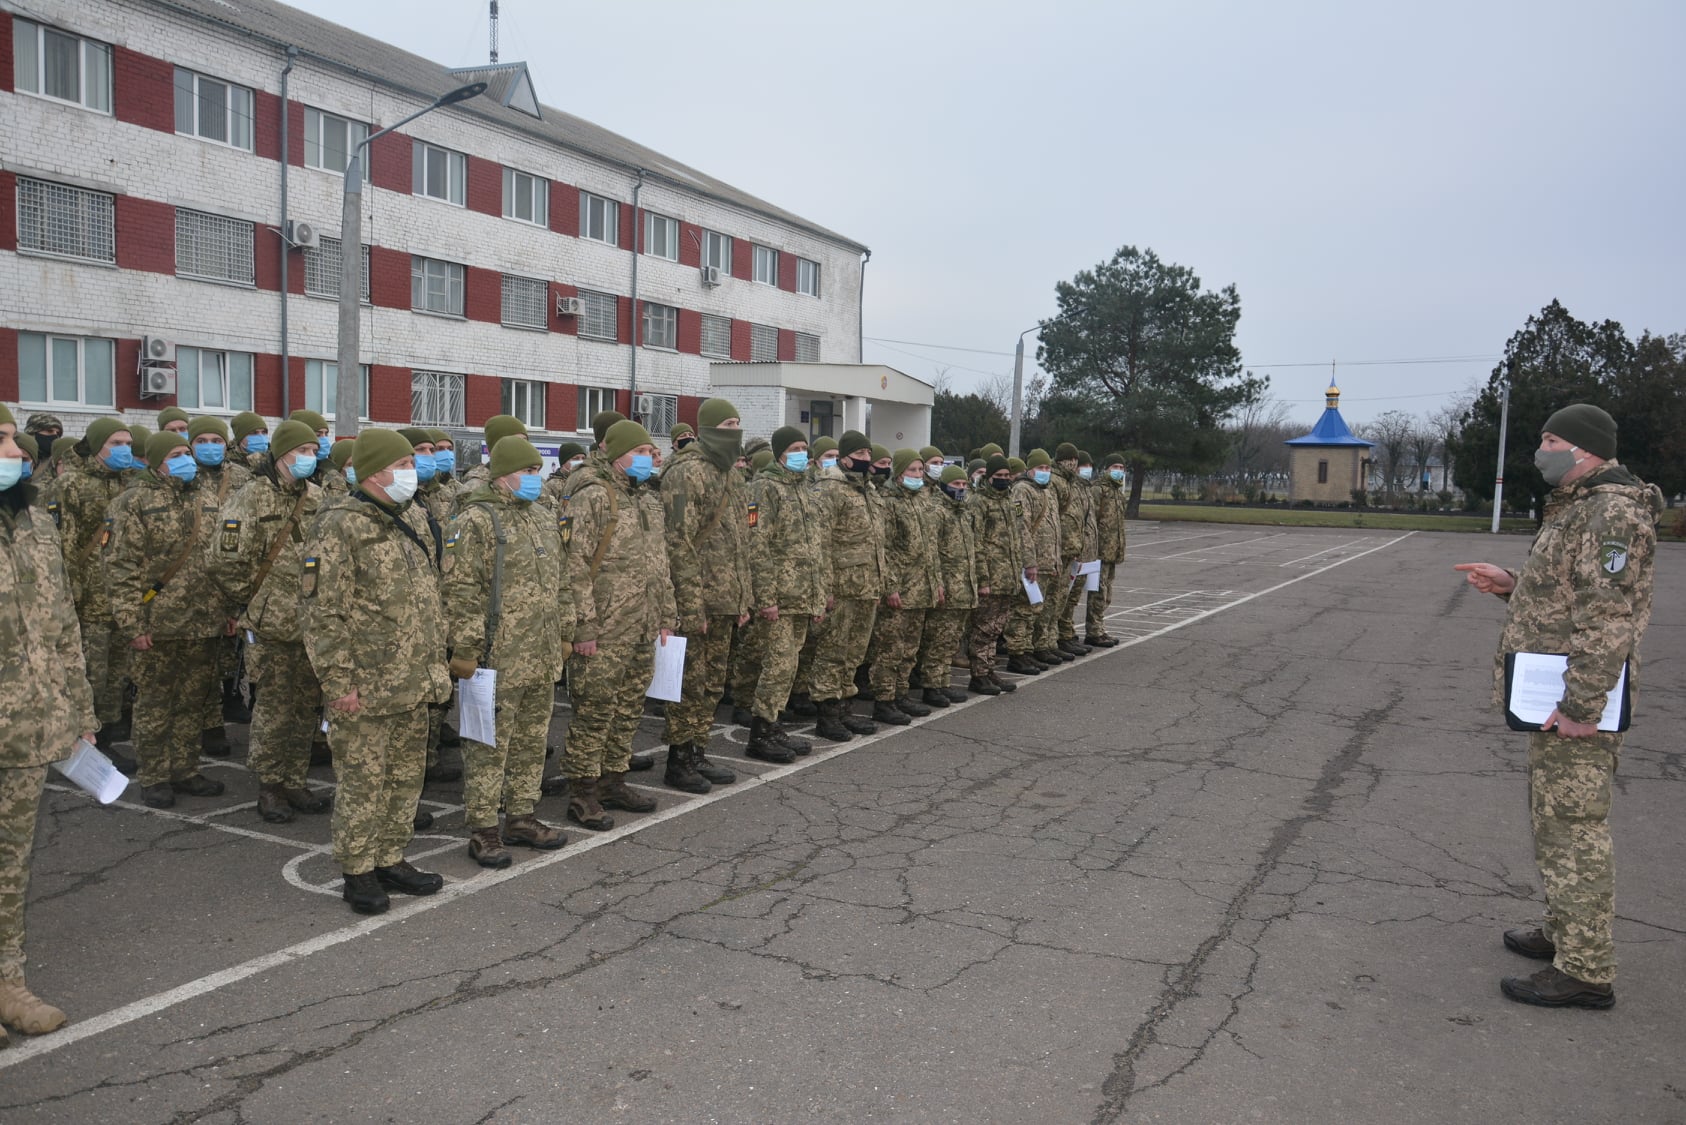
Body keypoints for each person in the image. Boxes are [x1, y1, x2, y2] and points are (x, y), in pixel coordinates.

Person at [1454, 404, 1662, 1010]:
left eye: (1551, 439)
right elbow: (1570, 593)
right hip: (1560, 689)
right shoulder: (1581, 507)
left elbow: (1608, 618)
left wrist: (1581, 706)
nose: (1540, 448)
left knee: (1575, 826)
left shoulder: (1611, 512)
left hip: (1578, 699)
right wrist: (1513, 584)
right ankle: (1565, 930)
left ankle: (1587, 969)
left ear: (1587, 449)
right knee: (1555, 820)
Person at [302, 428, 453, 914]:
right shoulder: (340, 524)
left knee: (405, 777)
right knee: (364, 779)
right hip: (366, 684)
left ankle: (390, 856)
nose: (413, 471)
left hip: (413, 679)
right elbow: (323, 613)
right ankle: (358, 869)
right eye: (404, 463)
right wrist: (338, 682)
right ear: (376, 472)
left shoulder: (409, 515)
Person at [0, 404, 96, 1047]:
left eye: (10, 437)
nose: (13, 449)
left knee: (9, 865)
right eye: (0, 438)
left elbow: (62, 626)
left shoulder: (32, 519)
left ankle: (8, 982)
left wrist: (81, 713)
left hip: (27, 729)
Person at [444, 436, 572, 866]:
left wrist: (566, 631)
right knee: (486, 745)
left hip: (540, 651)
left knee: (532, 741)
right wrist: (464, 648)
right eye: (528, 471)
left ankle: (521, 816)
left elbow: (561, 581)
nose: (536, 479)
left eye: (538, 471)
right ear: (502, 475)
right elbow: (461, 590)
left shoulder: (541, 515)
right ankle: (483, 828)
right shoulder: (476, 519)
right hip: (498, 656)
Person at [104, 430, 237, 807]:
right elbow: (120, 567)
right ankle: (155, 776)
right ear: (157, 460)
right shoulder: (133, 502)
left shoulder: (207, 499)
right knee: (155, 703)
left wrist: (228, 610)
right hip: (157, 624)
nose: (187, 459)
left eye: (187, 453)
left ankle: (185, 769)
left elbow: (220, 560)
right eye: (177, 453)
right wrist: (132, 623)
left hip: (203, 620)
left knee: (192, 701)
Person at [209, 420, 330, 824]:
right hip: (273, 624)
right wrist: (253, 600)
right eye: (302, 451)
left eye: (314, 451)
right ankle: (270, 785)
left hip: (312, 623)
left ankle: (294, 778)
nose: (310, 459)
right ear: (281, 455)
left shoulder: (317, 498)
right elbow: (225, 561)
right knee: (275, 707)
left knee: (306, 706)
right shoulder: (251, 498)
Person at [559, 419, 675, 830]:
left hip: (642, 625)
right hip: (605, 629)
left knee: (628, 710)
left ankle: (613, 779)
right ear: (617, 453)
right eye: (640, 452)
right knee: (594, 712)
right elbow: (573, 566)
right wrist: (583, 628)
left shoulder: (644, 499)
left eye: (650, 452)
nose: (648, 459)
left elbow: (659, 564)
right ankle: (584, 792)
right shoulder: (594, 495)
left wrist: (665, 616)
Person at [658, 399, 750, 790]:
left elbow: (741, 541)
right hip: (698, 600)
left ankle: (698, 748)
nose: (735, 430)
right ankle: (679, 757)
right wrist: (691, 607)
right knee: (689, 683)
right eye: (728, 423)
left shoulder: (732, 476)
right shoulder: (687, 473)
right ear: (710, 428)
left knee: (713, 682)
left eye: (738, 423)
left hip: (727, 597)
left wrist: (744, 597)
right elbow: (678, 543)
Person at [739, 426, 826, 763]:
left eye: (805, 447)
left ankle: (773, 723)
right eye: (795, 448)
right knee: (777, 665)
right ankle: (760, 732)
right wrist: (767, 597)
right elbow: (757, 546)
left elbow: (813, 548)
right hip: (780, 596)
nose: (802, 453)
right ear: (778, 453)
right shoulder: (765, 488)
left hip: (802, 595)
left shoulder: (803, 488)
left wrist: (818, 597)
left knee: (789, 666)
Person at [56, 418, 139, 762]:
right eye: (116, 444)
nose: (124, 450)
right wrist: (71, 598)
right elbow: (64, 546)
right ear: (96, 446)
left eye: (127, 443)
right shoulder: (71, 485)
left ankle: (104, 741)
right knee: (91, 676)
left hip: (121, 600)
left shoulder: (129, 484)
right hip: (88, 601)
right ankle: (84, 742)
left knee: (115, 676)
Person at [804, 430, 885, 741]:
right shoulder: (829, 488)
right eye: (861, 455)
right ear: (845, 456)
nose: (866, 460)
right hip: (841, 586)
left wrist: (880, 582)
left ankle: (844, 709)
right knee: (832, 651)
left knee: (854, 652)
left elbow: (878, 542)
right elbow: (819, 543)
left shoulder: (868, 490)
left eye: (868, 455)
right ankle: (827, 714)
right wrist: (823, 590)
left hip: (866, 586)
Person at [868, 449, 943, 724]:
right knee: (890, 648)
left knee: (910, 648)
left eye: (920, 471)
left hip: (921, 587)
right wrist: (890, 587)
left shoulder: (923, 500)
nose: (918, 476)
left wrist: (936, 583)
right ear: (898, 474)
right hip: (899, 588)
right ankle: (884, 700)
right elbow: (883, 548)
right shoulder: (887, 501)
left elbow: (931, 548)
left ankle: (901, 694)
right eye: (912, 471)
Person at [967, 455, 1025, 694]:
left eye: (1006, 476)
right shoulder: (979, 502)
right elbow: (976, 543)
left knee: (996, 628)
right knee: (983, 628)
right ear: (988, 478)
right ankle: (978, 675)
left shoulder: (1010, 500)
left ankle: (989, 670)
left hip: (1008, 576)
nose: (1003, 480)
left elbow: (1017, 537)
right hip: (990, 576)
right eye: (997, 476)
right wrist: (983, 579)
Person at [1005, 449, 1059, 674]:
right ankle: (1017, 653)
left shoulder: (1045, 491)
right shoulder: (1022, 490)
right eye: (1040, 468)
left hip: (1047, 562)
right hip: (1032, 563)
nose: (1045, 472)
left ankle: (1027, 650)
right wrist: (1029, 561)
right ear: (1030, 469)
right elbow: (1021, 527)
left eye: (1047, 468)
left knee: (1035, 609)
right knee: (1023, 610)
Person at [1086, 453, 1128, 647]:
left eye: (1121, 468)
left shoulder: (1118, 492)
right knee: (1098, 592)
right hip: (1099, 551)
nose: (1118, 471)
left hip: (1112, 551)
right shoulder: (1099, 489)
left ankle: (1099, 627)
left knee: (1106, 593)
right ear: (1107, 468)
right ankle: (1093, 631)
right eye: (1115, 467)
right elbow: (1091, 520)